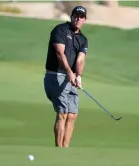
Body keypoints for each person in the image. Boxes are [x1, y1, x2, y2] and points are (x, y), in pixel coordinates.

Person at [43, 6, 88, 148]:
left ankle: (65, 150)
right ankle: (59, 149)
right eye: (76, 15)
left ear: (84, 20)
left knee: (72, 114)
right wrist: (69, 72)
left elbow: (80, 60)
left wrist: (78, 76)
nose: (78, 18)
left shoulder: (83, 39)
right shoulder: (60, 30)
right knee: (62, 112)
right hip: (55, 75)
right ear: (72, 16)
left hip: (71, 78)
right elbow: (59, 53)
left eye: (81, 17)